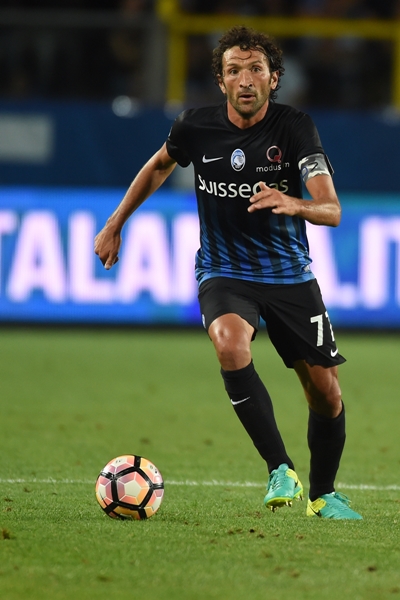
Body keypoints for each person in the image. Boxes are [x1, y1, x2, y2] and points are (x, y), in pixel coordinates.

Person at [94, 25, 362, 520]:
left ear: (274, 78)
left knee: (326, 394)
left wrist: (294, 202)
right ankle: (280, 469)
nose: (245, 79)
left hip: (289, 275)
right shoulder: (194, 127)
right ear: (220, 81)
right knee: (230, 343)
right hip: (224, 270)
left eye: (256, 69)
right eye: (233, 70)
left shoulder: (295, 128)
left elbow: (332, 210)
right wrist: (116, 223)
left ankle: (324, 495)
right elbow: (159, 165)